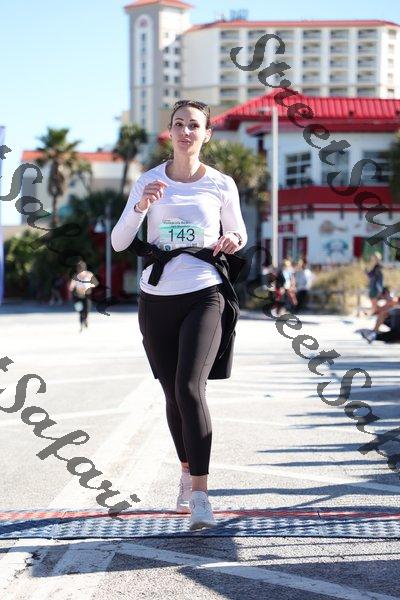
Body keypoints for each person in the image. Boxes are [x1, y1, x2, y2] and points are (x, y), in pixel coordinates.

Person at [111, 99, 248, 531]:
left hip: (205, 292)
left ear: (207, 134)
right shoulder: (148, 181)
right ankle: (187, 474)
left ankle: (201, 496)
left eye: (194, 125)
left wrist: (232, 239)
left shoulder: (221, 183)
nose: (186, 131)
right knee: (172, 393)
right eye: (179, 124)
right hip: (157, 298)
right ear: (169, 132)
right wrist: (140, 207)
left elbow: (239, 231)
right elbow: (118, 242)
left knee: (190, 388)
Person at [68, 260, 99, 332]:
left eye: (80, 268)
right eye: (78, 268)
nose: (79, 270)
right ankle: (81, 325)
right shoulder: (76, 276)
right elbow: (72, 284)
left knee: (86, 310)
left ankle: (86, 319)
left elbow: (95, 283)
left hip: (87, 295)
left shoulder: (89, 274)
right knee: (80, 311)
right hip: (78, 296)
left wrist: (89, 286)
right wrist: (71, 287)